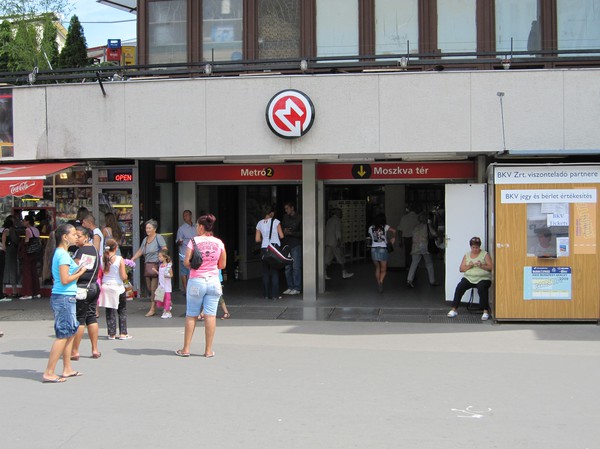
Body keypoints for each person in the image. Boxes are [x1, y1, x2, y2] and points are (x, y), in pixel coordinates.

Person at [43, 223, 88, 383]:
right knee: (63, 335)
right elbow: (64, 279)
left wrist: (78, 269)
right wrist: (81, 272)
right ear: (65, 236)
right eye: (74, 234)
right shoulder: (62, 255)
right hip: (63, 297)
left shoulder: (63, 253)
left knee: (69, 333)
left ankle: (67, 368)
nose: (76, 236)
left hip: (66, 296)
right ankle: (49, 371)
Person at [176, 214, 226, 358]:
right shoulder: (219, 243)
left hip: (196, 281)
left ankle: (186, 349)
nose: (196, 228)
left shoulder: (194, 241)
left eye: (197, 226)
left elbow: (186, 262)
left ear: (202, 227)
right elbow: (222, 264)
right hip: (213, 281)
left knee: (191, 315)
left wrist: (194, 264)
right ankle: (208, 350)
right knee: (210, 316)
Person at [71, 227, 101, 360]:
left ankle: (75, 351)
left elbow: (75, 269)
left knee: (80, 319)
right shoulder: (94, 249)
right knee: (91, 317)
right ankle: (95, 349)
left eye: (79, 236)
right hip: (94, 286)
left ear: (86, 237)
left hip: (81, 287)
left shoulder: (81, 251)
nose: (76, 239)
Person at [447, 236, 493, 320]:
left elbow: (490, 268)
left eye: (477, 247)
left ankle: (485, 311)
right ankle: (454, 309)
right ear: (470, 247)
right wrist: (470, 265)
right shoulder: (467, 255)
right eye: (473, 247)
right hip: (469, 278)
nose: (475, 249)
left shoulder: (485, 254)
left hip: (483, 278)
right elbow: (461, 269)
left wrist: (481, 265)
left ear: (479, 247)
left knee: (482, 287)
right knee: (460, 286)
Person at [131, 219, 167, 317]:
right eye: (147, 228)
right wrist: (133, 258)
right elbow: (141, 250)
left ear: (154, 229)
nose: (147, 230)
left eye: (149, 228)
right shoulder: (145, 239)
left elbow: (165, 249)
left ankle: (153, 308)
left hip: (156, 265)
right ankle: (165, 301)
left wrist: (161, 259)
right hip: (148, 265)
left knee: (153, 288)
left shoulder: (158, 237)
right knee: (149, 287)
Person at [98, 239, 132, 340]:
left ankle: (111, 333)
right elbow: (123, 276)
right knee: (122, 310)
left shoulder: (102, 258)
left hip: (106, 286)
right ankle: (123, 333)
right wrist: (126, 274)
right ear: (116, 248)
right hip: (117, 286)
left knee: (109, 310)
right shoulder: (119, 259)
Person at [255, 205, 285, 300]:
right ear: (271, 213)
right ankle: (275, 295)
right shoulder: (276, 222)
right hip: (274, 248)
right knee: (274, 271)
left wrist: (264, 239)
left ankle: (266, 295)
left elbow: (257, 239)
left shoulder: (259, 223)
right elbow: (282, 236)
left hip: (264, 248)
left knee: (265, 272)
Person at [406, 212, 439, 288]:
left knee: (414, 263)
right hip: (425, 247)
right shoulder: (427, 226)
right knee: (429, 263)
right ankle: (432, 281)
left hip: (415, 247)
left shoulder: (415, 227)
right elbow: (434, 234)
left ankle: (409, 280)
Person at [367, 213, 396, 293]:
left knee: (377, 268)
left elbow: (371, 237)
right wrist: (393, 238)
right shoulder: (385, 226)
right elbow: (394, 231)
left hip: (373, 249)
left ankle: (378, 283)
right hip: (383, 249)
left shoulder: (370, 228)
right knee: (383, 269)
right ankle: (381, 281)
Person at [324, 208, 354, 280]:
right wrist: (339, 241)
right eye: (341, 213)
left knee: (326, 259)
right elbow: (338, 232)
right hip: (335, 243)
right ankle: (344, 273)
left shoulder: (329, 220)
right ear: (337, 213)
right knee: (341, 258)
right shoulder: (337, 220)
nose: (342, 214)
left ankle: (323, 273)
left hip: (328, 242)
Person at [282, 202, 302, 295]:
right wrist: (284, 231)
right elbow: (282, 228)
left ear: (292, 208)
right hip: (287, 244)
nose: (286, 211)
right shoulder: (285, 217)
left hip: (295, 244)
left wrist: (292, 233)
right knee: (287, 267)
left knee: (296, 267)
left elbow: (302, 233)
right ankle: (290, 287)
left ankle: (297, 288)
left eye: (287, 208)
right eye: (285, 209)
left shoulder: (299, 217)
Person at [19, 215, 42, 300]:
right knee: (34, 272)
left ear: (28, 221)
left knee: (27, 273)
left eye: (24, 220)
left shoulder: (28, 230)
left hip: (28, 253)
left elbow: (27, 241)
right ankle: (37, 292)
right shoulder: (36, 229)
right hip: (35, 253)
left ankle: (28, 293)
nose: (23, 222)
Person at [176, 209, 196, 294]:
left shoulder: (196, 227)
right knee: (184, 272)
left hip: (195, 254)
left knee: (193, 271)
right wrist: (180, 241)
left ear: (191, 216)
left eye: (186, 215)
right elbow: (177, 241)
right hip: (184, 253)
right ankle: (185, 289)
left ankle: (193, 289)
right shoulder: (181, 229)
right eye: (184, 215)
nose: (185, 217)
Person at [397, 204, 419, 269]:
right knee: (415, 256)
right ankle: (414, 270)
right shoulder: (418, 218)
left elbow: (399, 230)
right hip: (416, 239)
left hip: (406, 239)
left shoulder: (404, 217)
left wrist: (400, 240)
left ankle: (408, 269)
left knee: (408, 255)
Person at [154, 248, 173, 319]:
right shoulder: (160, 265)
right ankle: (167, 308)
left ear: (165, 257)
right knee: (161, 298)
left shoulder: (168, 266)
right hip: (161, 285)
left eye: (160, 256)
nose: (159, 258)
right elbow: (160, 274)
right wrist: (156, 271)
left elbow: (171, 275)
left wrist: (167, 275)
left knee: (167, 298)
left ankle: (167, 311)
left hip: (167, 286)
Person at [2, 216, 18, 299]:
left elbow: (4, 244)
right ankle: (14, 291)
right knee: (11, 270)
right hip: (12, 252)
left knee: (6, 270)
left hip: (8, 252)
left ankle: (4, 291)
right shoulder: (12, 231)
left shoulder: (6, 231)